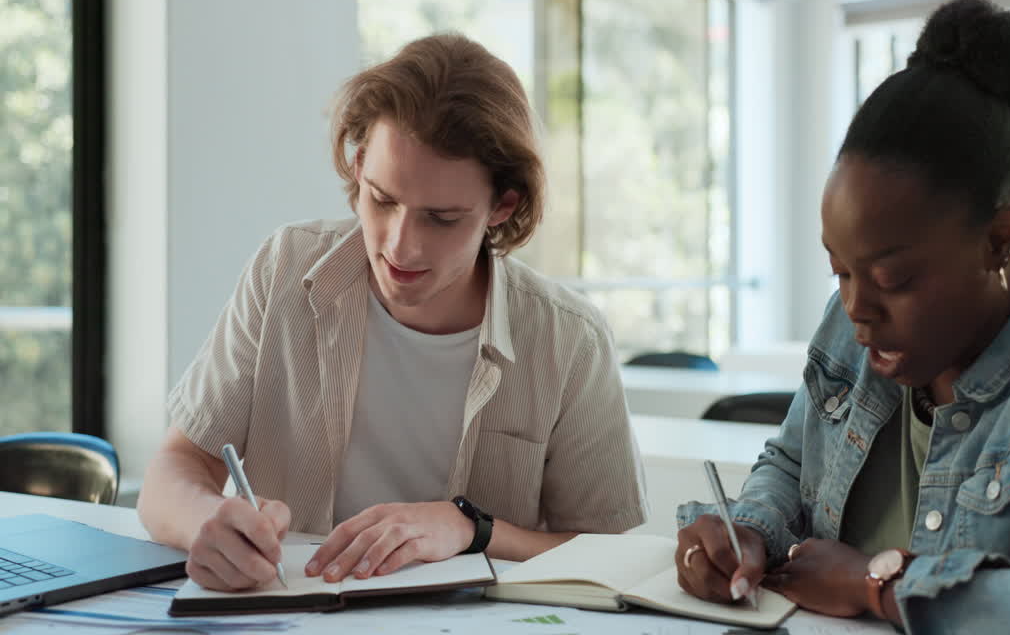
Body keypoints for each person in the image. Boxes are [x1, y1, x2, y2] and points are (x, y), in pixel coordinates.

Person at [674, 0, 1010, 633]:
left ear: (999, 239)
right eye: (840, 270)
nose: (857, 309)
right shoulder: (848, 320)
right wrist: (747, 532)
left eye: (894, 278)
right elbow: (791, 462)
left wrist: (880, 586)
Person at [138, 33, 647, 592]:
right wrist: (204, 524)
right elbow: (173, 470)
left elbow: (611, 556)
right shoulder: (285, 268)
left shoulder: (569, 340)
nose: (401, 247)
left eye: (443, 218)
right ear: (358, 167)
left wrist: (471, 529)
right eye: (382, 200)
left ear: (503, 206)